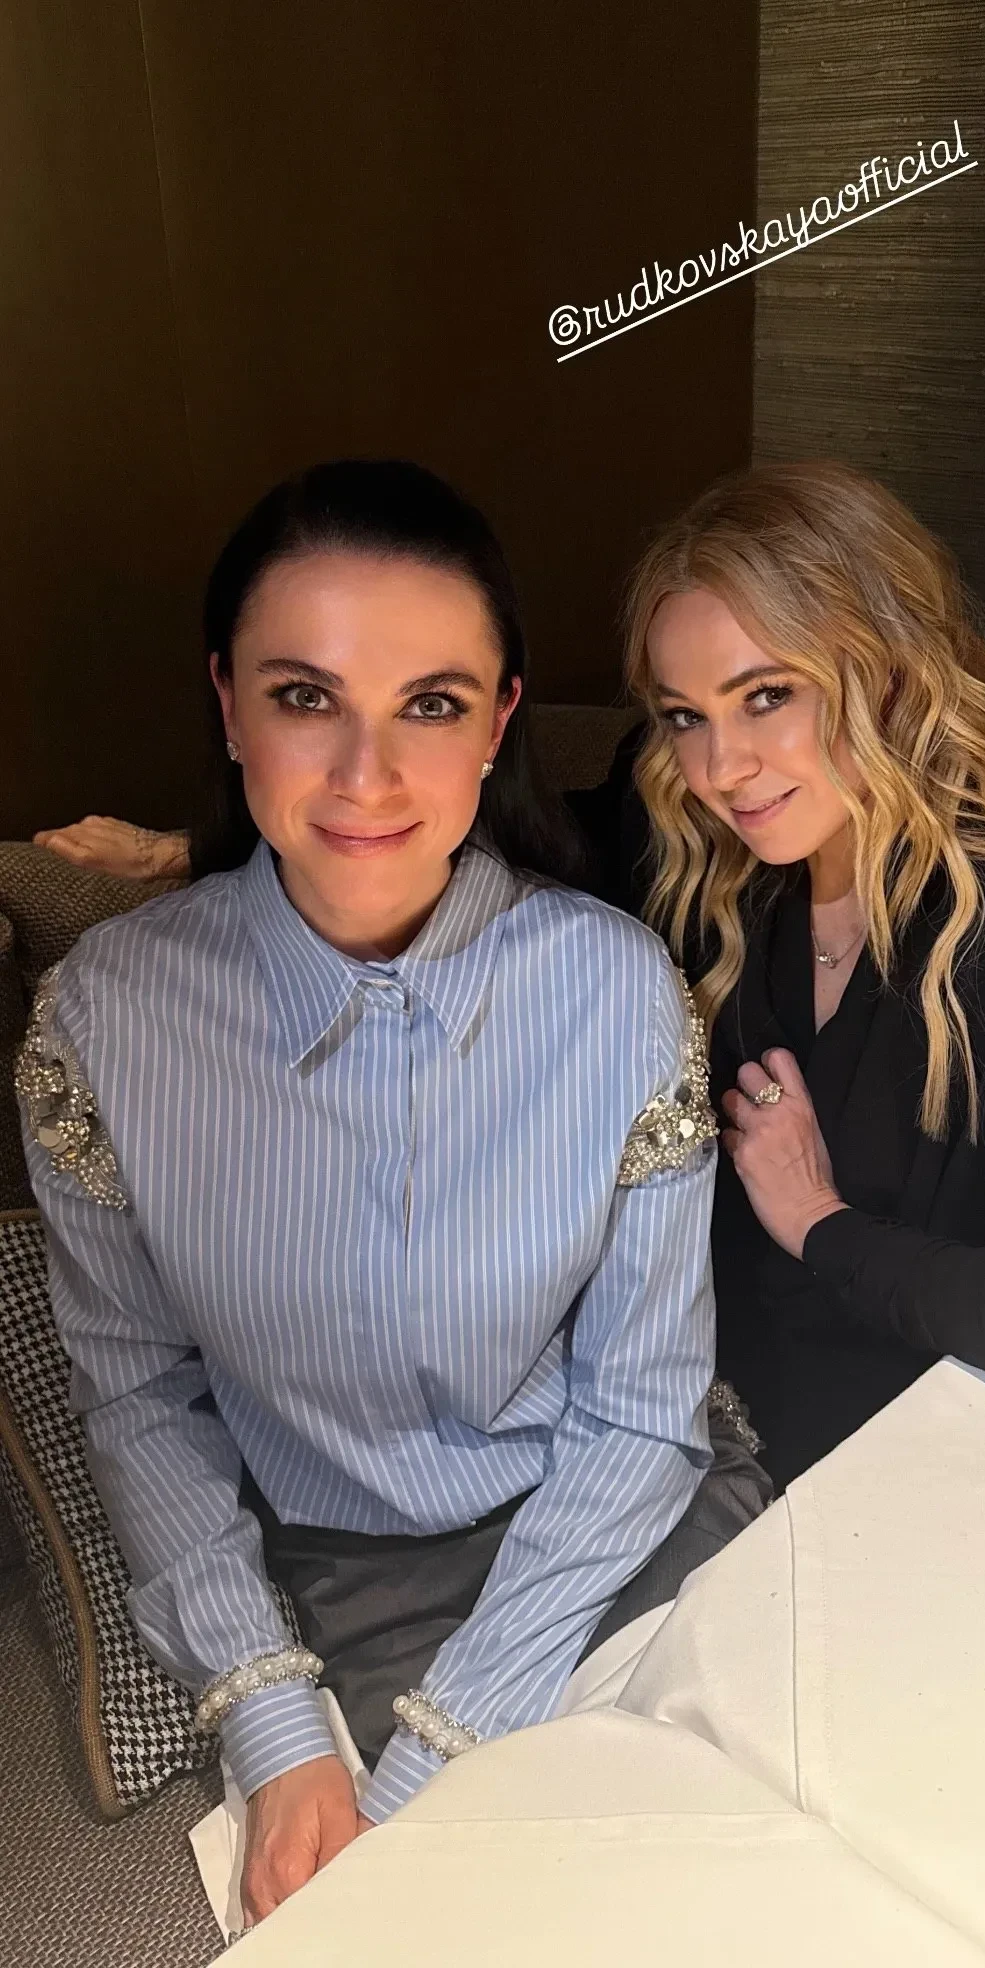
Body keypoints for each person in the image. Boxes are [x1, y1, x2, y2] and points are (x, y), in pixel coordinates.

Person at [32, 460, 985, 1491]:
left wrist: (822, 1221)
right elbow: (439, 822)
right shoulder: (701, 846)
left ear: (892, 674)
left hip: (904, 1469)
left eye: (768, 695)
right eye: (685, 714)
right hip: (681, 1438)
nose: (722, 765)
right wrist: (194, 851)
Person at [17, 459, 770, 1927]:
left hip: (627, 1530)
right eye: (306, 696)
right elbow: (139, 1398)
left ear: (497, 724)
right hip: (338, 1584)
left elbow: (639, 1410)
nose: (366, 776)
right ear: (227, 702)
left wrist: (444, 1746)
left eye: (430, 703)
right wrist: (274, 1722)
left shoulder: (617, 992)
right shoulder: (105, 1021)